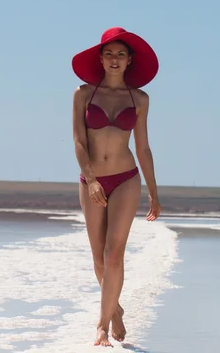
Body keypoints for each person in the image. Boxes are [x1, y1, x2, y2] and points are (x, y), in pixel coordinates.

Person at [71, 26, 161, 347]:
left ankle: (101, 326)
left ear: (129, 61)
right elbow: (79, 143)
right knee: (98, 258)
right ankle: (116, 310)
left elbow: (144, 147)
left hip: (126, 179)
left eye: (120, 54)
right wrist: (92, 179)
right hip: (91, 180)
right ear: (101, 58)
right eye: (109, 53)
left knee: (113, 256)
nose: (114, 59)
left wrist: (153, 190)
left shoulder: (139, 99)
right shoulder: (83, 94)